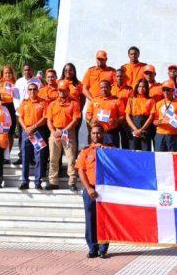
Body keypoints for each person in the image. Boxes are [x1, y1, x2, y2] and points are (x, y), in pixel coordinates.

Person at [76, 124, 109, 259]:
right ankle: (92, 248)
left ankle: (103, 249)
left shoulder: (110, 150)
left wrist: (106, 151)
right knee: (90, 219)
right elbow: (80, 171)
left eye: (99, 133)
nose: (96, 136)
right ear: (90, 135)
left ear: (103, 134)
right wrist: (88, 188)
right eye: (94, 133)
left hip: (106, 190)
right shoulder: (85, 152)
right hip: (90, 189)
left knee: (105, 220)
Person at [46, 80, 81, 190]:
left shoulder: (74, 103)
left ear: (68, 90)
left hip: (68, 132)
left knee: (71, 158)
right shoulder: (52, 104)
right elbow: (49, 120)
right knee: (53, 158)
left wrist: (63, 131)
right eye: (59, 90)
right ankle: (53, 182)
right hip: (55, 132)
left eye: (63, 90)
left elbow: (75, 120)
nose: (61, 92)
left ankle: (72, 182)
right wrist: (53, 131)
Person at [17, 81, 50, 190]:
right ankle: (24, 181)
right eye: (30, 89)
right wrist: (26, 128)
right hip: (26, 131)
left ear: (38, 90)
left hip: (38, 131)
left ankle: (38, 182)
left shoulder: (43, 103)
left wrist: (33, 127)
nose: (32, 91)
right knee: (25, 156)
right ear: (27, 91)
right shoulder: (24, 102)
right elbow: (20, 117)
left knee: (39, 157)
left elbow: (45, 118)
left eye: (34, 89)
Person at [0, 65, 18, 161]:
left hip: (12, 108)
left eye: (9, 73)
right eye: (5, 73)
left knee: (10, 133)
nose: (7, 74)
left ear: (12, 74)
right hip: (0, 108)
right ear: (2, 74)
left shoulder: (16, 83)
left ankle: (7, 156)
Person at [86, 79, 124, 147]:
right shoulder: (94, 100)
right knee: (95, 152)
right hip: (97, 133)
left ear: (110, 88)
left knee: (112, 153)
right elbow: (87, 114)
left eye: (105, 87)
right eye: (101, 87)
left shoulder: (117, 101)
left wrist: (116, 121)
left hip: (111, 132)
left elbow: (123, 117)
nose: (103, 89)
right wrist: (91, 119)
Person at [152, 80, 177, 152]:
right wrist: (156, 123)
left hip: (173, 135)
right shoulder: (158, 104)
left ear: (173, 90)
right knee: (160, 158)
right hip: (160, 135)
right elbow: (154, 120)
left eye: (168, 90)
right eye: (164, 90)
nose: (166, 92)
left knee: (173, 159)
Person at [125, 78, 155, 151]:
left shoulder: (151, 100)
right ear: (136, 87)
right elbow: (127, 116)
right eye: (139, 86)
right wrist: (135, 129)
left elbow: (151, 116)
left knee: (145, 150)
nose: (141, 89)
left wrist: (142, 129)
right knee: (133, 150)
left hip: (146, 126)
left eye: (144, 87)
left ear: (147, 88)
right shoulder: (131, 99)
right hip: (133, 126)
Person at [111, 68, 133, 149]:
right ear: (114, 77)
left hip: (125, 120)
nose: (119, 78)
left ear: (124, 77)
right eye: (117, 76)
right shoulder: (111, 88)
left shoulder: (129, 90)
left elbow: (131, 105)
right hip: (113, 120)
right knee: (114, 142)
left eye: (121, 76)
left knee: (126, 142)